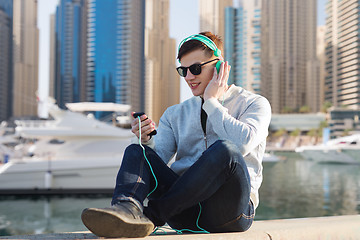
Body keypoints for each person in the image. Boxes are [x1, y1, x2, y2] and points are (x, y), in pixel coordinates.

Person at [81, 31, 272, 238]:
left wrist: (212, 102)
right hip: (183, 210)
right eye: (184, 71)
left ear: (219, 67)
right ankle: (126, 210)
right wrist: (146, 140)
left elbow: (242, 143)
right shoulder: (174, 114)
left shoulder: (254, 103)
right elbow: (158, 161)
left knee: (226, 150)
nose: (189, 77)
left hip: (229, 213)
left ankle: (151, 217)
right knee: (138, 151)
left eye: (196, 69)